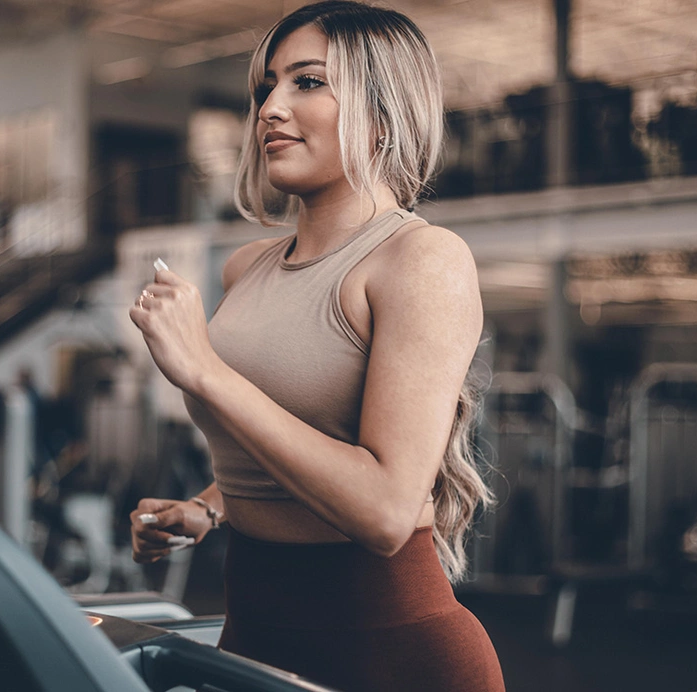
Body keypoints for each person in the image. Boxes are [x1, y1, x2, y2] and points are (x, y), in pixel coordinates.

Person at [127, 2, 503, 690]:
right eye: (265, 87)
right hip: (254, 640)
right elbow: (297, 432)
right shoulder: (248, 266)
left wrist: (205, 370)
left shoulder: (422, 260)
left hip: (389, 652)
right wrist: (210, 505)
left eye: (306, 82)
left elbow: (386, 510)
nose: (269, 107)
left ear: (384, 113)